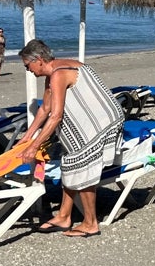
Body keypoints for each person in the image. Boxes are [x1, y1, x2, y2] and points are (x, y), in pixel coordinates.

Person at [17, 39, 124, 238]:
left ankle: (91, 223)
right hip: (99, 117)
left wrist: (35, 147)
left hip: (103, 121)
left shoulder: (58, 74)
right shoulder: (54, 71)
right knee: (71, 161)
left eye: (27, 65)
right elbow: (45, 108)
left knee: (82, 162)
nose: (27, 70)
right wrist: (28, 136)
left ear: (39, 60)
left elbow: (56, 116)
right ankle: (64, 215)